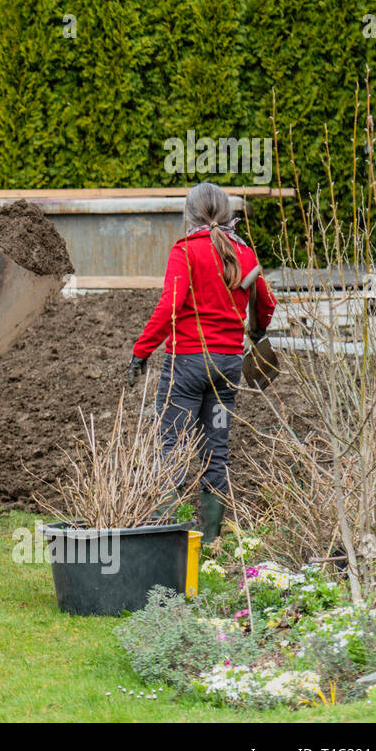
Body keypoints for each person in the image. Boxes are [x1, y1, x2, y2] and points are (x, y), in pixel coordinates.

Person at [125, 182, 276, 540]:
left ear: (189, 215)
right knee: (216, 450)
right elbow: (265, 305)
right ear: (227, 214)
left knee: (174, 446)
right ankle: (209, 541)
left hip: (188, 367)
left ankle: (166, 536)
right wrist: (257, 330)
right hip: (227, 370)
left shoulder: (186, 251)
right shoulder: (244, 253)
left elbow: (169, 307)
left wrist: (142, 350)